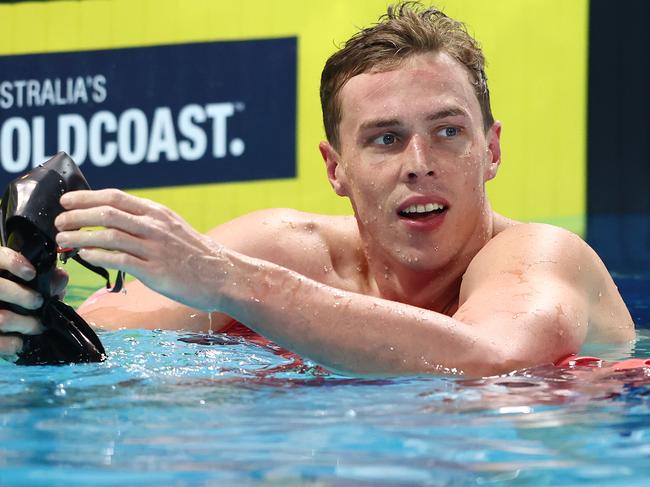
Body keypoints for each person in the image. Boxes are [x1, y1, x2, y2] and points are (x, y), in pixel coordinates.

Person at [0, 3, 634, 376]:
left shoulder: (544, 257)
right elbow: (101, 337)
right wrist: (25, 312)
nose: (420, 163)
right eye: (385, 139)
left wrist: (224, 278)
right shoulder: (286, 250)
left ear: (490, 149)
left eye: (448, 131)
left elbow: (491, 361)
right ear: (336, 169)